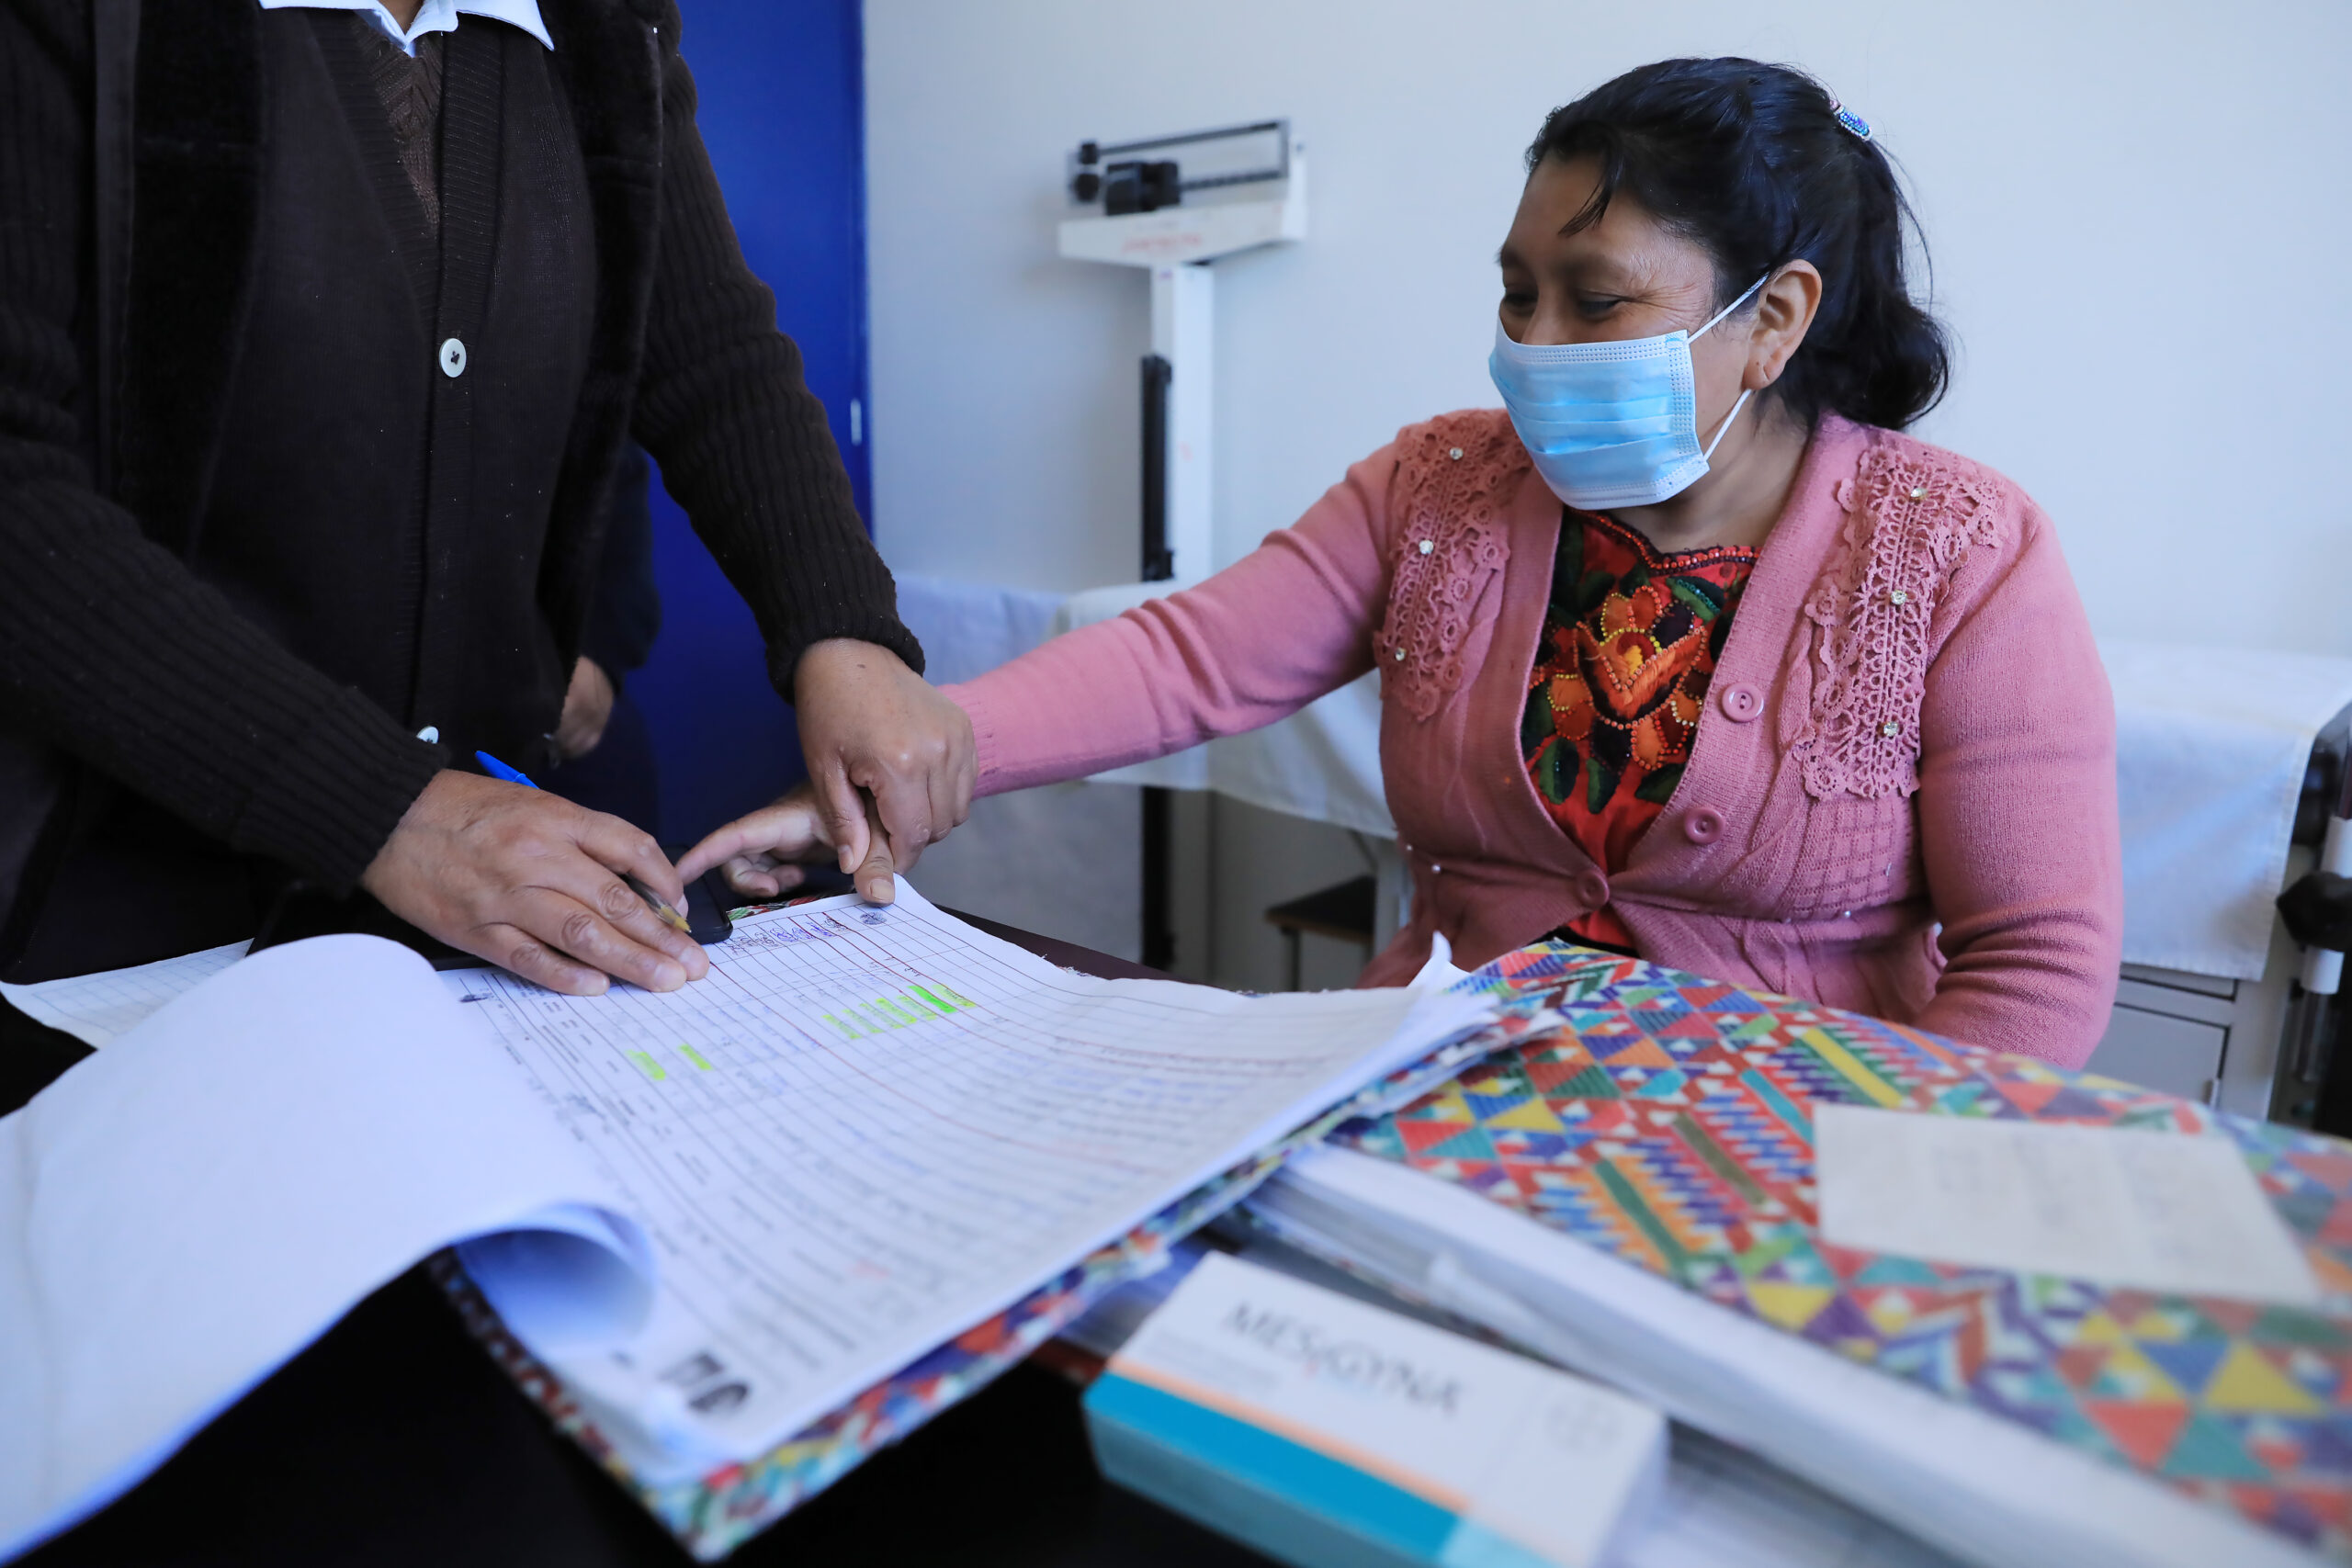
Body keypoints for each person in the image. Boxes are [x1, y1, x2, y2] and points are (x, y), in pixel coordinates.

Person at [684, 58, 2124, 1067]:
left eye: (1597, 301)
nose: (1534, 346)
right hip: (1444, 1089)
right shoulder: (1442, 485)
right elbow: (1190, 661)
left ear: (1776, 318)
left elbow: (2037, 962)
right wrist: (917, 757)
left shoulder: (1957, 553)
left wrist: (1855, 1188)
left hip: (1792, 1155)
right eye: (1517, 293)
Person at [0, 0, 973, 996]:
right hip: (113, 910)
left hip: (470, 911)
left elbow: (711, 355)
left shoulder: (604, 27)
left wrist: (843, 633)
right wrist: (384, 807)